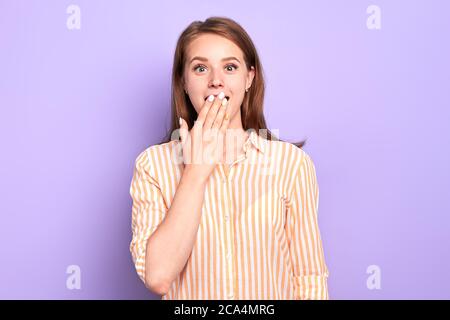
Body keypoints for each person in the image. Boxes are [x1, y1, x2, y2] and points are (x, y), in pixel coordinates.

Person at [129, 16, 329, 300]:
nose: (216, 81)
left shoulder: (291, 164)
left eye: (230, 67)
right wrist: (195, 172)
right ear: (183, 82)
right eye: (200, 68)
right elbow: (158, 277)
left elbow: (309, 279)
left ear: (249, 78)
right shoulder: (152, 166)